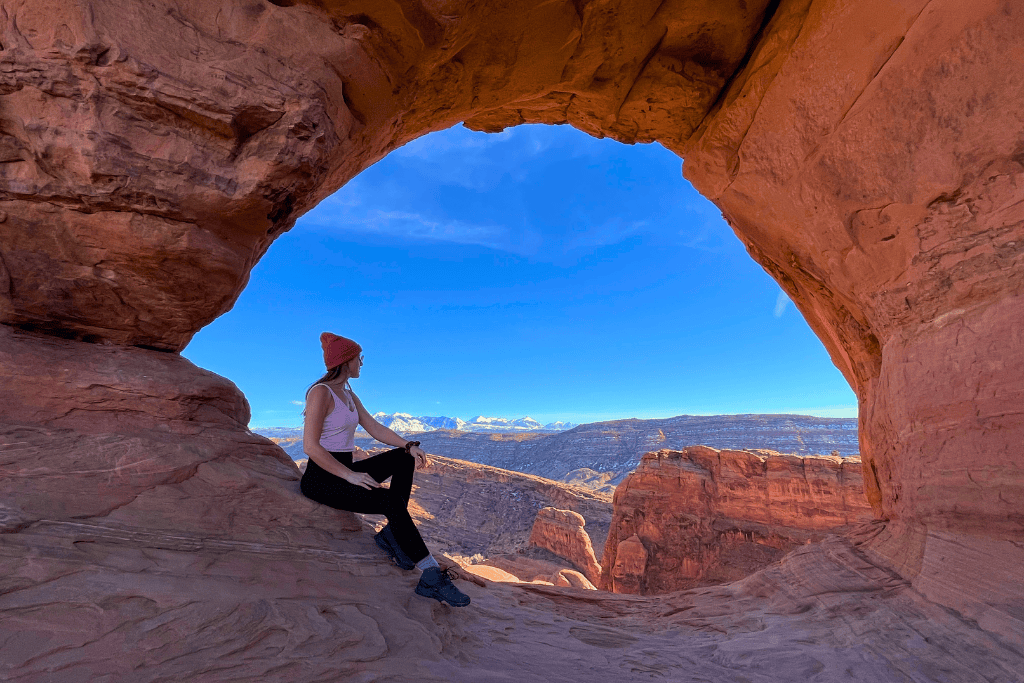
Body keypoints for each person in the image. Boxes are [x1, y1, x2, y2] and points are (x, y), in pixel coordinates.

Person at [300, 332, 470, 607]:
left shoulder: (348, 394)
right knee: (390, 501)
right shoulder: (320, 392)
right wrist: (349, 475)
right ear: (347, 360)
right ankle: (430, 575)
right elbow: (310, 446)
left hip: (344, 470)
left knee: (403, 458)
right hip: (322, 479)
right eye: (359, 358)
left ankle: (393, 534)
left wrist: (407, 445)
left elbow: (374, 427)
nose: (362, 364)